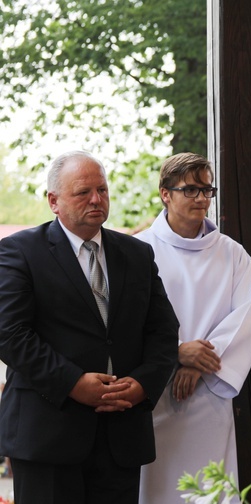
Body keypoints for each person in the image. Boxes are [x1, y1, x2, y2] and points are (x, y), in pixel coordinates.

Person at [0, 151, 179, 504]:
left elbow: (163, 330)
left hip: (122, 436)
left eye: (102, 190)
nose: (96, 199)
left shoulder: (136, 254)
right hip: (48, 435)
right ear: (53, 201)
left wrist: (143, 385)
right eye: (83, 192)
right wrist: (73, 383)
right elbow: (10, 333)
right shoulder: (19, 252)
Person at [136, 153, 251, 504]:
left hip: (208, 394)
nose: (202, 199)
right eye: (190, 190)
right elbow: (130, 322)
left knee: (209, 489)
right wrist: (174, 353)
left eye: (207, 190)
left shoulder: (233, 254)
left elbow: (244, 317)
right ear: (165, 194)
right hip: (156, 393)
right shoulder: (140, 250)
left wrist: (196, 361)